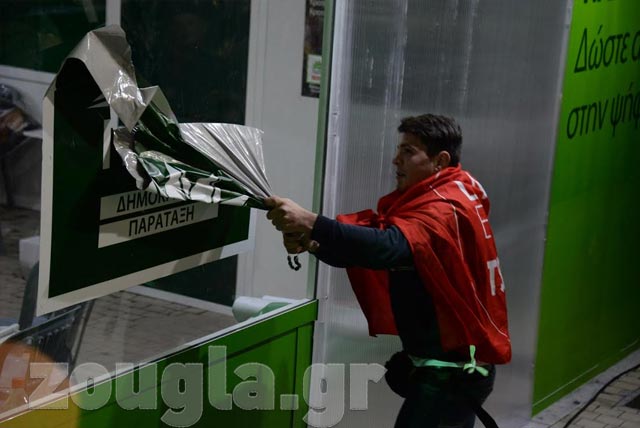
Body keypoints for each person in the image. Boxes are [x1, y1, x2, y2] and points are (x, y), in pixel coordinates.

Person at [266, 114, 510, 428]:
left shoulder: (444, 207)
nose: (396, 160)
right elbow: (383, 246)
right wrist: (314, 242)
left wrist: (312, 222)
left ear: (440, 160)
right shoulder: (455, 190)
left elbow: (388, 246)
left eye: (408, 151)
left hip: (452, 373)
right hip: (457, 365)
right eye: (399, 149)